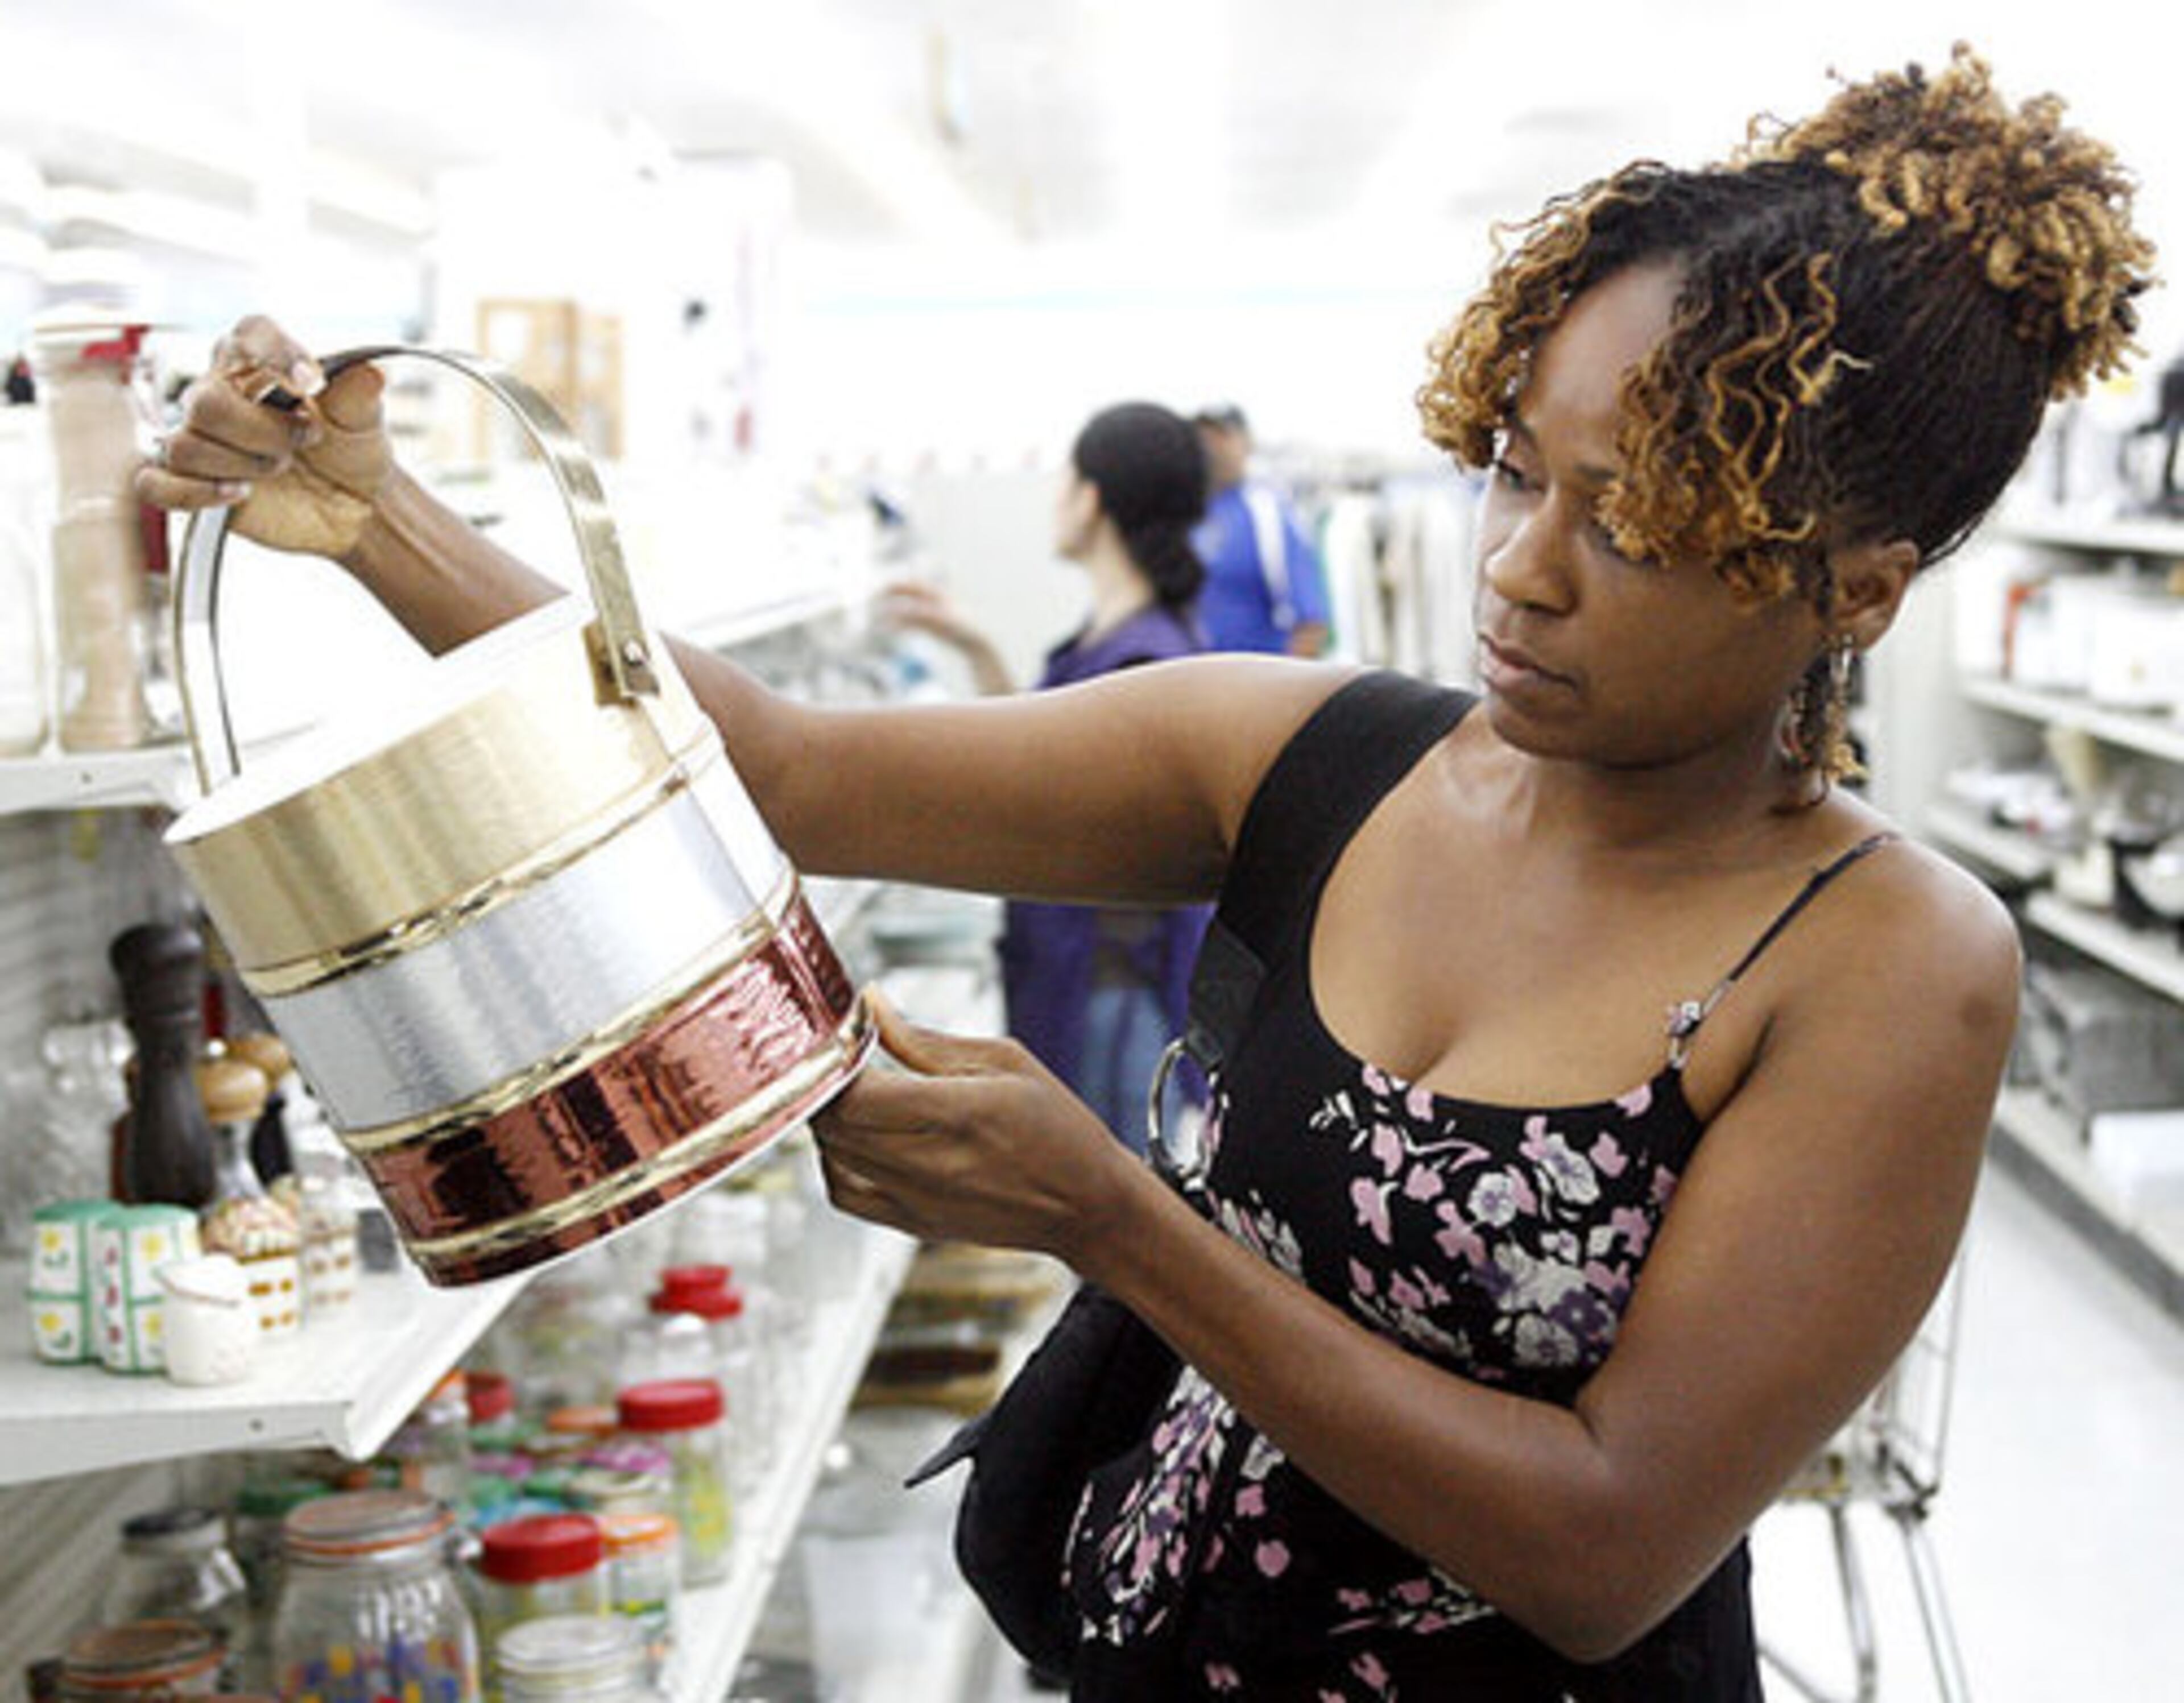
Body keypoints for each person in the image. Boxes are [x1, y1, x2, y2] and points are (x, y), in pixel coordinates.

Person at [142, 44, 2152, 1701]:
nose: (1521, 567)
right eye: (1519, 470)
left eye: (1635, 524)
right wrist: (381, 515)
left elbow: (1609, 1542)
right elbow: (777, 766)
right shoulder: (1320, 758)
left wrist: (1113, 1214)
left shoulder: (1887, 963)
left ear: (1854, 588)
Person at [880, 402, 1214, 1149]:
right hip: (1088, 986)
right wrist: (972, 642)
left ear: (1092, 498)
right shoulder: (1115, 643)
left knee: (1107, 1230)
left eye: (1065, 482)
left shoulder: (1142, 659)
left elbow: (1041, 800)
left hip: (1111, 995)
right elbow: (1037, 756)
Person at [1189, 404, 1334, 657]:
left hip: (1256, 686)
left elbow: (1311, 624)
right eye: (1202, 437)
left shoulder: (1268, 514)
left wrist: (1284, 692)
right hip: (1192, 686)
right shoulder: (1185, 515)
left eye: (1221, 437)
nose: (1210, 447)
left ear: (1246, 443)